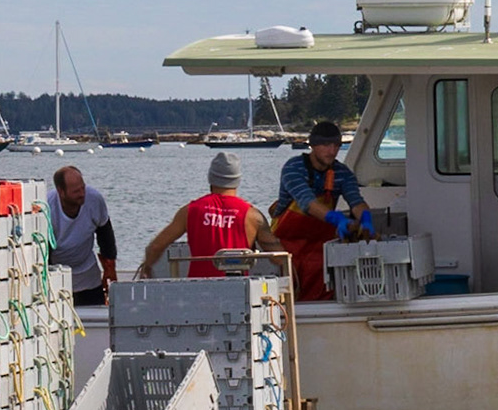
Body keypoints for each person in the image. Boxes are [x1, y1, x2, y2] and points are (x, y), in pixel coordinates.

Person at [137, 152, 284, 281]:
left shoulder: (190, 210)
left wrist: (147, 267)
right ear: (237, 181)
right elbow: (278, 258)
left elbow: (156, 246)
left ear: (211, 178)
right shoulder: (253, 216)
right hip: (239, 292)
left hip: (199, 290)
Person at [273, 120, 370, 302]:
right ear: (313, 145)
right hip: (285, 245)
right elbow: (307, 203)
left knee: (321, 292)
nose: (332, 151)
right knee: (285, 295)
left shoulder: (343, 173)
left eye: (336, 145)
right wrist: (338, 219)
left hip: (319, 249)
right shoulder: (293, 168)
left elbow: (356, 202)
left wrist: (366, 219)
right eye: (326, 145)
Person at [45, 165, 118, 307]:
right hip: (56, 274)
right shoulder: (48, 208)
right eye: (76, 191)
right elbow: (43, 252)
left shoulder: (94, 199)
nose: (82, 194)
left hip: (87, 272)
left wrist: (110, 268)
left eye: (82, 188)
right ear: (61, 192)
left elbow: (105, 235)